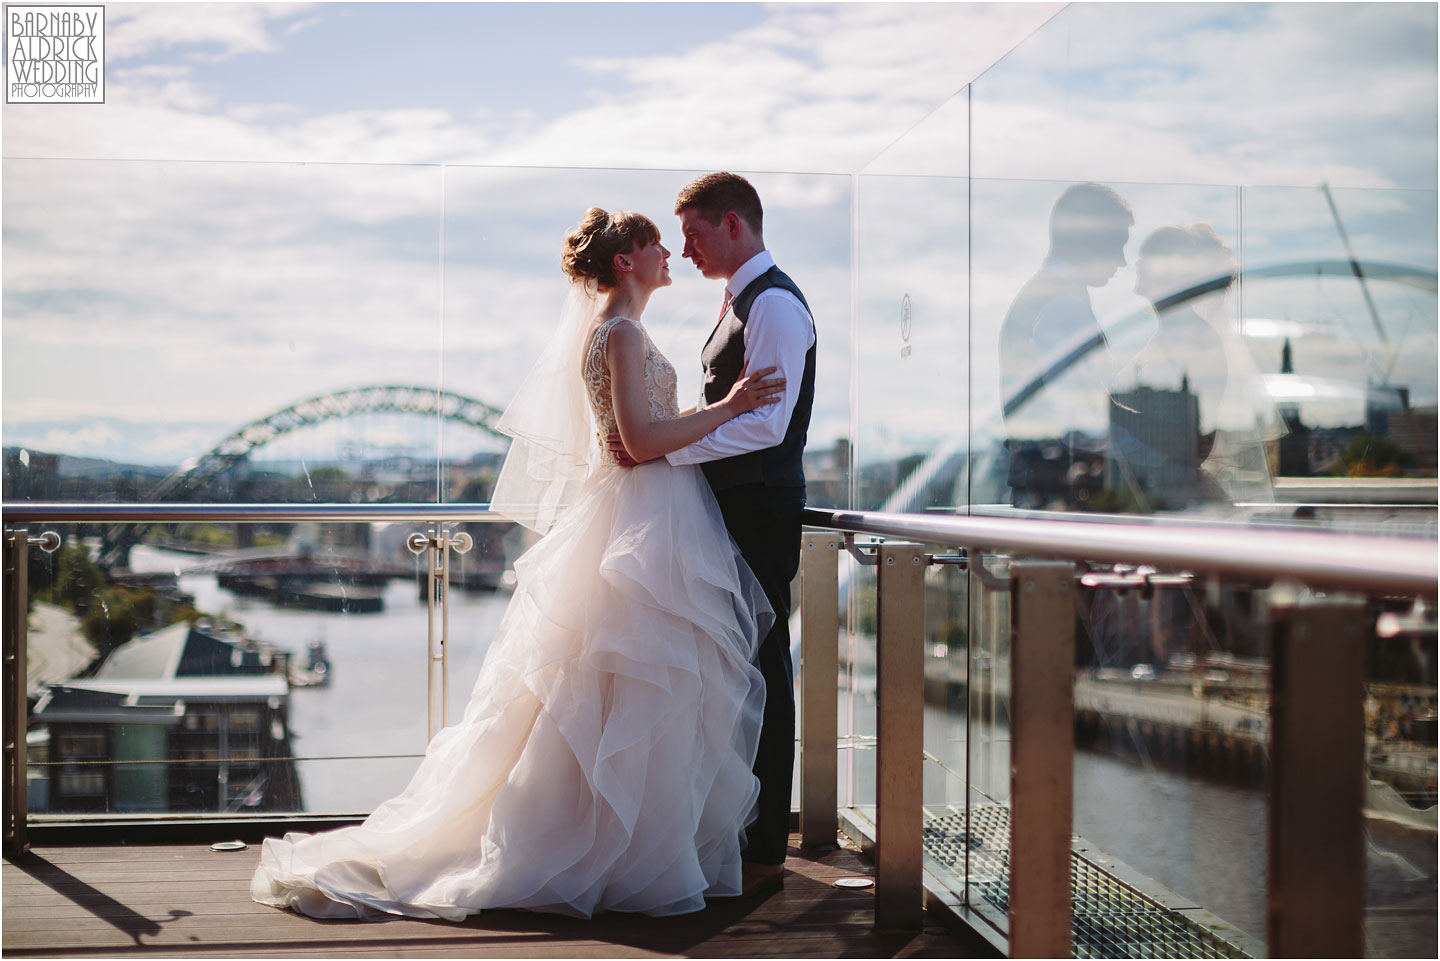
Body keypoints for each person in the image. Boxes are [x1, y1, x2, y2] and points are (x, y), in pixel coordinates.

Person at [250, 207, 787, 920]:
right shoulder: (620, 333)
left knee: (626, 688)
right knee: (619, 684)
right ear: (625, 260)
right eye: (656, 243)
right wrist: (730, 406)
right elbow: (636, 441)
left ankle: (630, 845)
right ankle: (609, 848)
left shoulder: (624, 330)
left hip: (648, 520)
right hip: (639, 520)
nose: (669, 254)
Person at [608, 172, 816, 895]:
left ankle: (764, 850)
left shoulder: (778, 305)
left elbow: (767, 423)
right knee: (732, 669)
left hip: (759, 507)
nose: (687, 251)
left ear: (734, 225)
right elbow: (730, 409)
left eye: (694, 236)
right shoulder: (737, 302)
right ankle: (726, 828)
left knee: (764, 665)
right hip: (723, 506)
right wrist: (679, 441)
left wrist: (665, 448)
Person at [998, 182, 1133, 509]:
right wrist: (1165, 448)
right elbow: (1085, 419)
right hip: (1065, 498)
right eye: (1117, 245)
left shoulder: (1042, 295)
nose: (1123, 260)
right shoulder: (1065, 307)